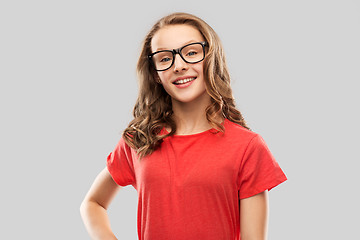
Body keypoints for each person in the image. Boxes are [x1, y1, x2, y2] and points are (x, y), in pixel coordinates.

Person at [80, 12, 287, 240]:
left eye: (191, 53)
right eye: (165, 58)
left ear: (210, 58)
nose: (179, 65)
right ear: (156, 74)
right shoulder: (140, 139)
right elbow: (93, 203)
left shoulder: (247, 146)